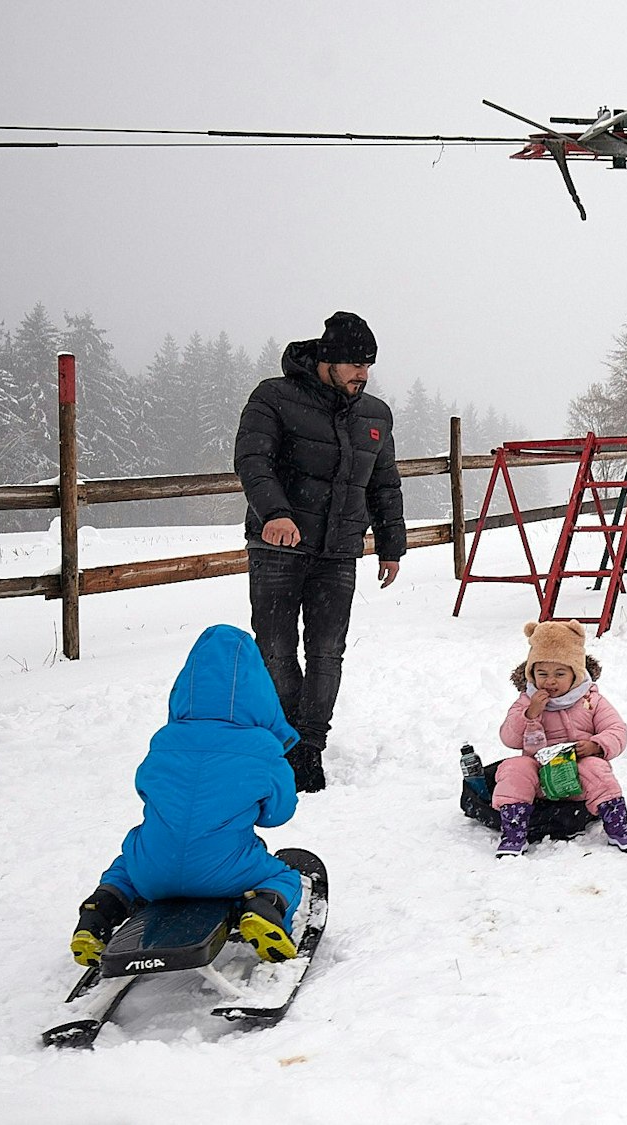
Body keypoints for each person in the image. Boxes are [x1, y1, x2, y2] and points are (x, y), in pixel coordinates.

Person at [234, 311, 406, 793]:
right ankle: (287, 738)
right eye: (353, 364)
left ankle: (310, 747)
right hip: (278, 549)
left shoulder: (375, 415)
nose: (362, 375)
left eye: (367, 366)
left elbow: (383, 483)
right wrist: (275, 514)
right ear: (326, 359)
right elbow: (252, 460)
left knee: (327, 652)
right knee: (275, 649)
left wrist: (391, 544)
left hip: (338, 552)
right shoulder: (273, 397)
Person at [71, 625, 307, 966]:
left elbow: (145, 789)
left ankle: (99, 913)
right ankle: (265, 908)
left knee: (126, 867)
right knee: (284, 875)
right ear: (259, 692)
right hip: (228, 872)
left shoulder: (165, 741)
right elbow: (278, 814)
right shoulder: (262, 748)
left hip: (154, 872)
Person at [494, 620, 627, 857]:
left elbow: (616, 729)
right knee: (513, 767)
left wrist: (596, 745)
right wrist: (530, 714)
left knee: (596, 767)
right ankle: (514, 831)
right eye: (542, 674)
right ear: (531, 674)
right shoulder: (526, 701)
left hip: (578, 779)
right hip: (539, 779)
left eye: (559, 674)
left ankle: (617, 824)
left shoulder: (590, 700)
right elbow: (508, 738)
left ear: (575, 674)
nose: (550, 681)